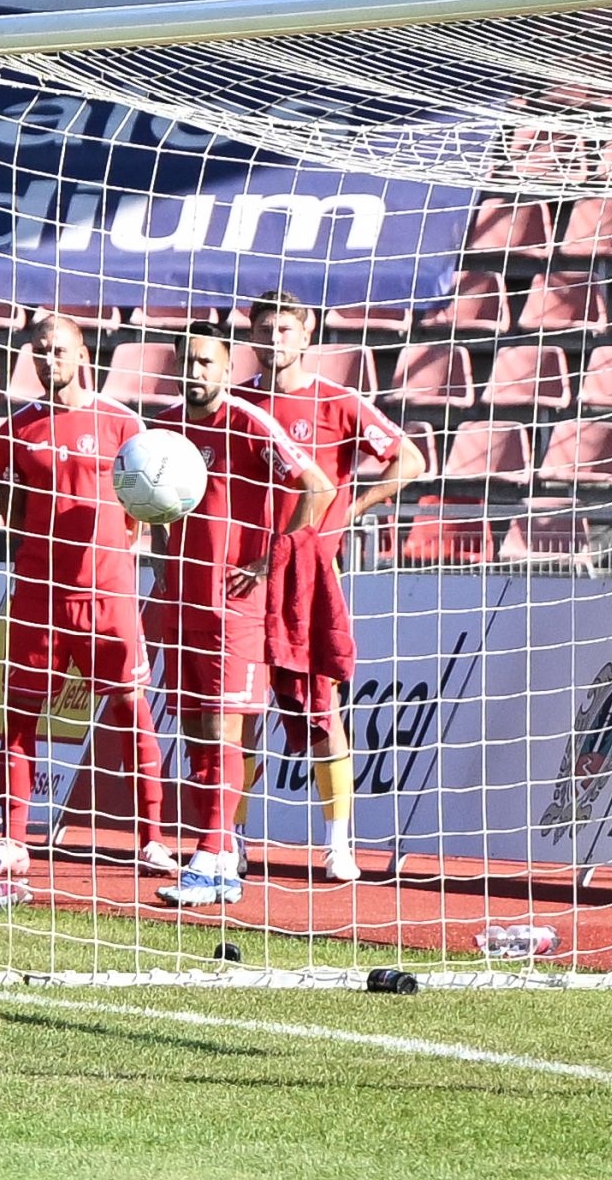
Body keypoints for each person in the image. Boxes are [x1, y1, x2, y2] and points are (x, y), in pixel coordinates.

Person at [0, 314, 175, 879]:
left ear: (83, 354)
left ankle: (152, 840)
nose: (49, 360)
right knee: (19, 715)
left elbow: (144, 509)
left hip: (108, 595)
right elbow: (14, 516)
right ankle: (14, 840)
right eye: (39, 350)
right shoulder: (15, 430)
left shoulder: (122, 423)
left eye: (59, 350)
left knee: (132, 712)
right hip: (39, 596)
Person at [239, 291, 426, 883]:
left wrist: (354, 508)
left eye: (284, 330)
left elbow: (410, 460)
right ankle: (231, 839)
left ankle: (338, 843)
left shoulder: (338, 402)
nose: (274, 340)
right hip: (245, 575)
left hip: (308, 579)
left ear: (306, 334)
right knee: (241, 712)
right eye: (264, 329)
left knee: (324, 711)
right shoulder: (237, 404)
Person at [149, 323, 334, 907]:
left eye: (206, 362)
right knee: (195, 733)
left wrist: (269, 560)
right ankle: (220, 857)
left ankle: (210, 858)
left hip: (234, 607)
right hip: (182, 603)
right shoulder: (166, 430)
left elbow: (317, 487)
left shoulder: (249, 423)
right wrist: (160, 549)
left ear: (228, 370)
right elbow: (152, 503)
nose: (195, 371)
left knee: (227, 732)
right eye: (187, 361)